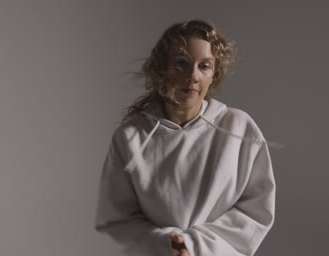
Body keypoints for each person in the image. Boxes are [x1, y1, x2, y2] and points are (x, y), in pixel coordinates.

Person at [94, 19, 276, 256]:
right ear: (162, 69)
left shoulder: (239, 129)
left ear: (214, 75)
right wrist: (166, 244)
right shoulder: (131, 137)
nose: (192, 75)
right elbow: (116, 219)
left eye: (204, 66)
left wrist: (194, 246)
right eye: (181, 63)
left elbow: (256, 212)